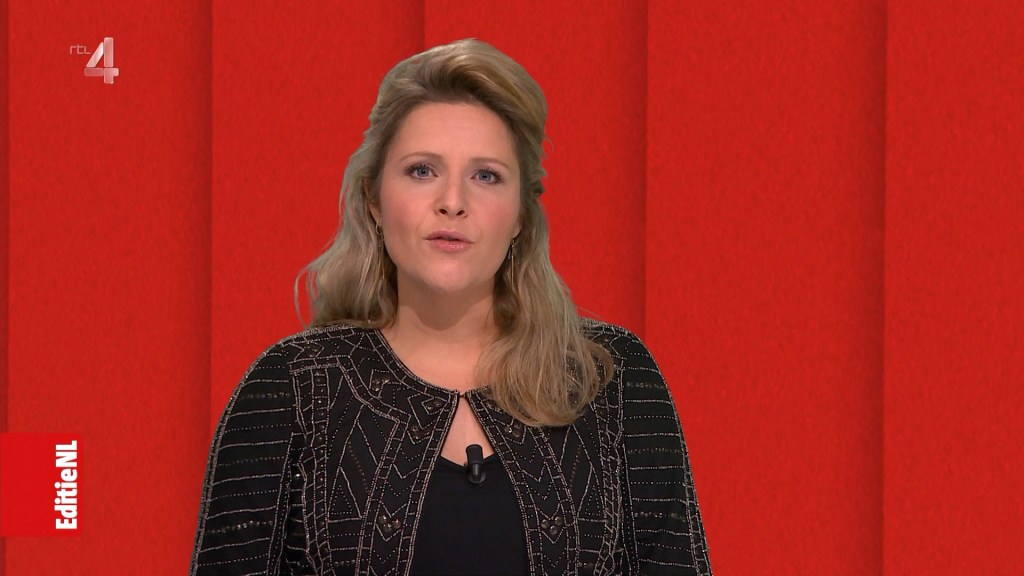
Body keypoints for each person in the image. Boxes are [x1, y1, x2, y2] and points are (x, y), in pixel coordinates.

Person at [190, 38, 711, 576]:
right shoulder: (290, 388)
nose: (453, 202)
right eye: (422, 170)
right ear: (373, 199)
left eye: (486, 175)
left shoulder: (612, 377)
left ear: (520, 216)